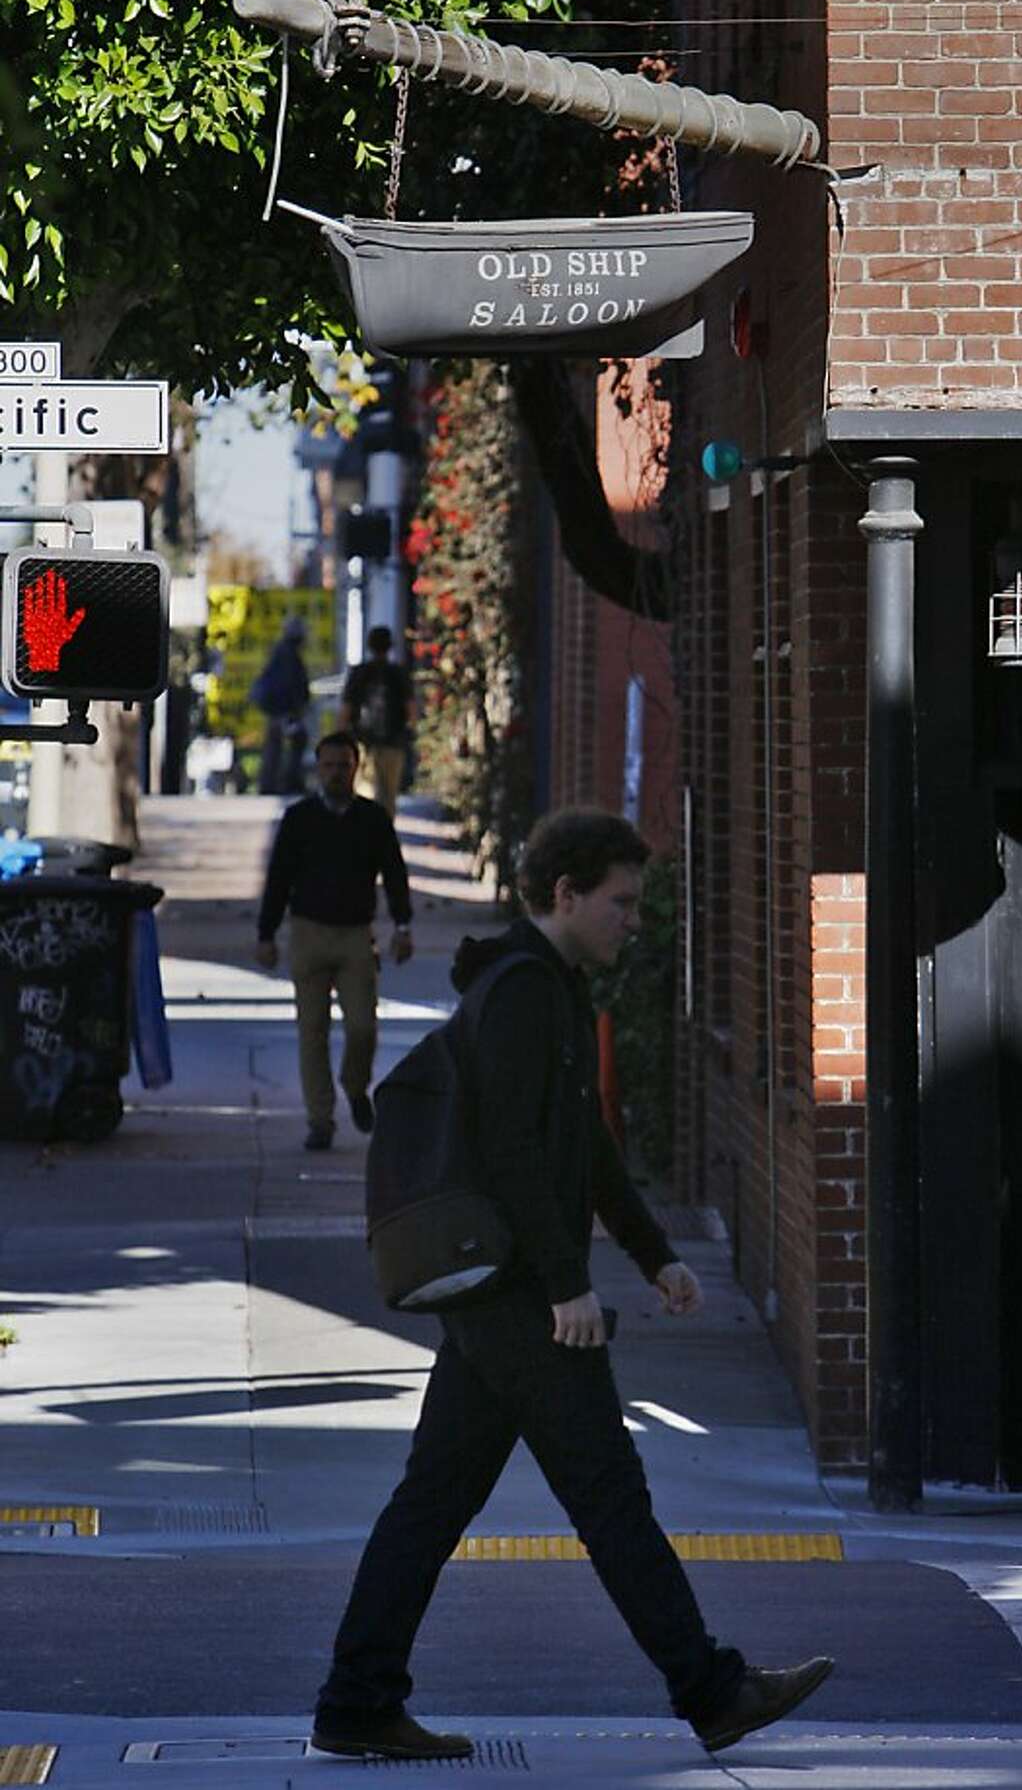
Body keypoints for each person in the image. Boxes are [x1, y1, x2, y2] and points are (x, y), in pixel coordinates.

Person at [310, 806, 833, 1763]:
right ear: (566, 893)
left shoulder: (546, 988)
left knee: (434, 1502)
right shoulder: (521, 992)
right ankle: (711, 1690)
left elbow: (582, 1144)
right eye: (620, 902)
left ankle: (356, 1701)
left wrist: (653, 1252)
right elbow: (511, 1149)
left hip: (502, 1294)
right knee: (608, 1495)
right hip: (516, 1296)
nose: (632, 920)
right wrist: (565, 1288)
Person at [256, 730, 414, 1151]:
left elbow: (395, 874)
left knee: (363, 1026)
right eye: (328, 765)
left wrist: (403, 925)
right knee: (312, 1032)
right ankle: (319, 1120)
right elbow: (278, 878)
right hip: (308, 931)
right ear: (317, 768)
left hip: (355, 935)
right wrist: (266, 933)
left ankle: (355, 1085)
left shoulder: (373, 819)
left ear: (356, 768)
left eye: (344, 765)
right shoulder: (300, 819)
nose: (336, 773)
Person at [339, 625, 415, 819]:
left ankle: (364, 832)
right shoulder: (398, 673)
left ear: (369, 646)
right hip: (393, 741)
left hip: (363, 741)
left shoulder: (359, 673)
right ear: (390, 646)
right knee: (388, 793)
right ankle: (384, 833)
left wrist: (341, 737)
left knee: (364, 788)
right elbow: (411, 708)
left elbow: (347, 708)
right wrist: (409, 732)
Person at [253, 614, 310, 796]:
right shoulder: (288, 653)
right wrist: (295, 707)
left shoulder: (283, 651)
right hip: (284, 709)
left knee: (278, 744)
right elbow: (290, 683)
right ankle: (286, 782)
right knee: (291, 742)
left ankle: (275, 782)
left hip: (280, 709)